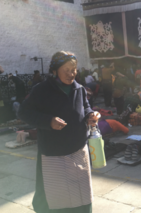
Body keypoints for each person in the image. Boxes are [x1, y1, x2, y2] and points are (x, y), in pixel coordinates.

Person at [18, 51, 99, 213]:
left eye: (74, 69)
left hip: (78, 150)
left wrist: (91, 115)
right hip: (53, 153)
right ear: (54, 70)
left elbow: (85, 107)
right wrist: (48, 121)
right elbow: (23, 112)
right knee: (56, 197)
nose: (71, 74)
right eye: (66, 69)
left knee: (82, 194)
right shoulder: (41, 90)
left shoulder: (79, 89)